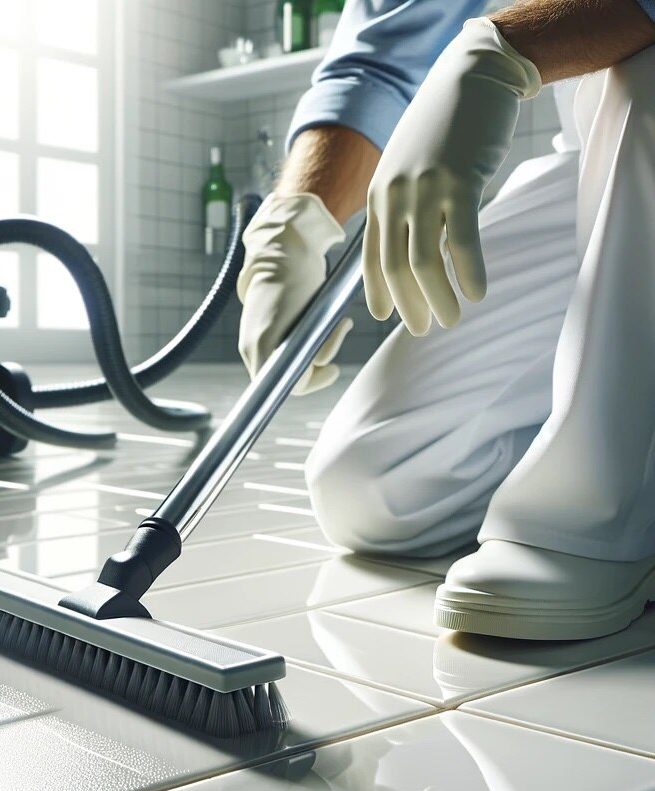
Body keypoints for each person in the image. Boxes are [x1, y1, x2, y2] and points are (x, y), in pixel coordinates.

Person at [237, 0, 655, 641]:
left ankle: (588, 518)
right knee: (375, 485)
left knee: (641, 72)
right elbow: (382, 58)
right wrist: (293, 224)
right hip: (597, 154)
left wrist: (505, 47)